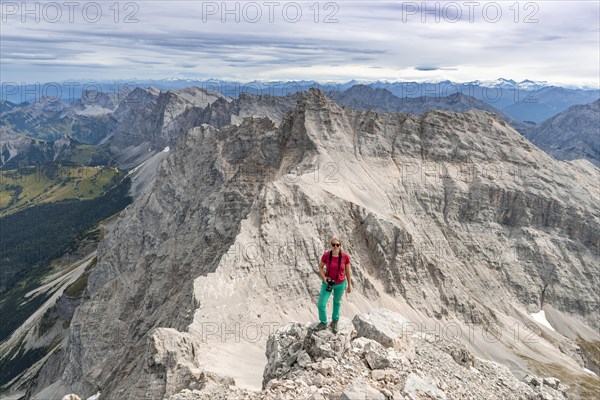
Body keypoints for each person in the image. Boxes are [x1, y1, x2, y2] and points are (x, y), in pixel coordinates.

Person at [313, 236, 352, 334]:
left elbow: (347, 271)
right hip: (328, 283)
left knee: (337, 302)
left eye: (337, 245)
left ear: (340, 245)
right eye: (333, 245)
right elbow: (320, 267)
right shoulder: (326, 256)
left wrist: (349, 285)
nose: (335, 247)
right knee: (321, 304)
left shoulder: (345, 257)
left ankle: (335, 321)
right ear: (331, 245)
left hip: (340, 284)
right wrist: (324, 278)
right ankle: (323, 322)